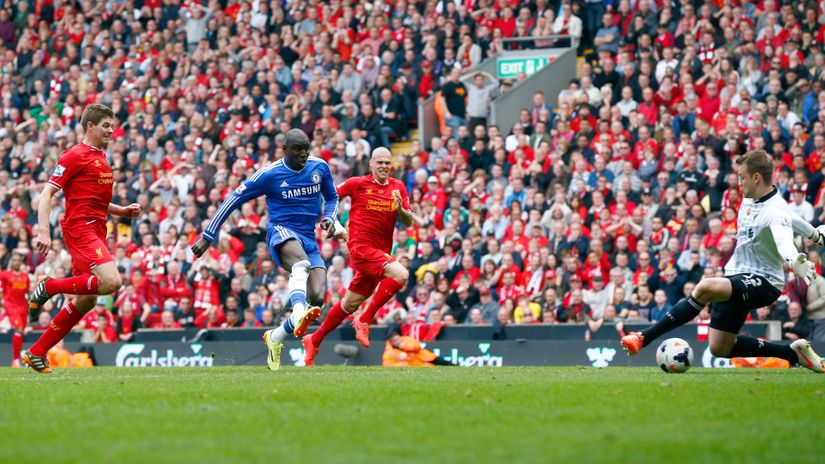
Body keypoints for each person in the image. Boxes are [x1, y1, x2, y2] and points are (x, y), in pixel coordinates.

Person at [622, 150, 825, 373]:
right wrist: (814, 234)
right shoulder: (753, 199)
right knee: (720, 347)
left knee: (706, 287)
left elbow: (783, 238)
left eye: (742, 177)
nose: (739, 183)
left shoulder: (775, 211)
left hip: (764, 282)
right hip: (737, 276)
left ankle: (643, 337)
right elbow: (792, 218)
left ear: (756, 178)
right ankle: (791, 353)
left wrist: (794, 259)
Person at [191, 129, 338, 371]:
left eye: (306, 148)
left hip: (309, 238)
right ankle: (298, 310)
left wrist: (330, 218)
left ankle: (276, 336)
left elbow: (332, 196)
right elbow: (233, 198)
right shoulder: (269, 174)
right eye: (297, 149)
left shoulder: (319, 167)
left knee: (318, 297)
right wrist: (208, 235)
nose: (303, 154)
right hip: (282, 232)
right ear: (285, 150)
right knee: (301, 265)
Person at [22, 104, 143, 374]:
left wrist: (121, 210)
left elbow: (95, 200)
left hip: (96, 228)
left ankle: (37, 352)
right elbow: (47, 194)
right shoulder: (75, 155)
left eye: (112, 125)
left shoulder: (100, 156)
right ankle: (50, 286)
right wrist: (43, 230)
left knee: (87, 299)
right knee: (111, 281)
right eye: (106, 126)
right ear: (90, 126)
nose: (111, 130)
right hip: (80, 229)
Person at [303, 147, 411, 365]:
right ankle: (365, 319)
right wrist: (334, 222)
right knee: (401, 275)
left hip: (380, 252)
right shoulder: (357, 183)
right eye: (379, 162)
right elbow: (331, 198)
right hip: (361, 248)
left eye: (387, 163)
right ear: (371, 164)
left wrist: (400, 210)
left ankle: (314, 339)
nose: (383, 166)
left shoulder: (397, 187)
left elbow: (408, 221)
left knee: (349, 304)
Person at [0, 253, 30, 366]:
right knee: (18, 329)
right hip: (11, 305)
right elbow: (1, 290)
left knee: (21, 332)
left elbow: (27, 291)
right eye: (14, 260)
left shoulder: (25, 276)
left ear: (21, 263)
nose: (16, 262)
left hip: (22, 306)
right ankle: (16, 359)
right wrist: (3, 303)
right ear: (11, 262)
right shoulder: (4, 275)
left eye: (18, 261)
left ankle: (16, 359)